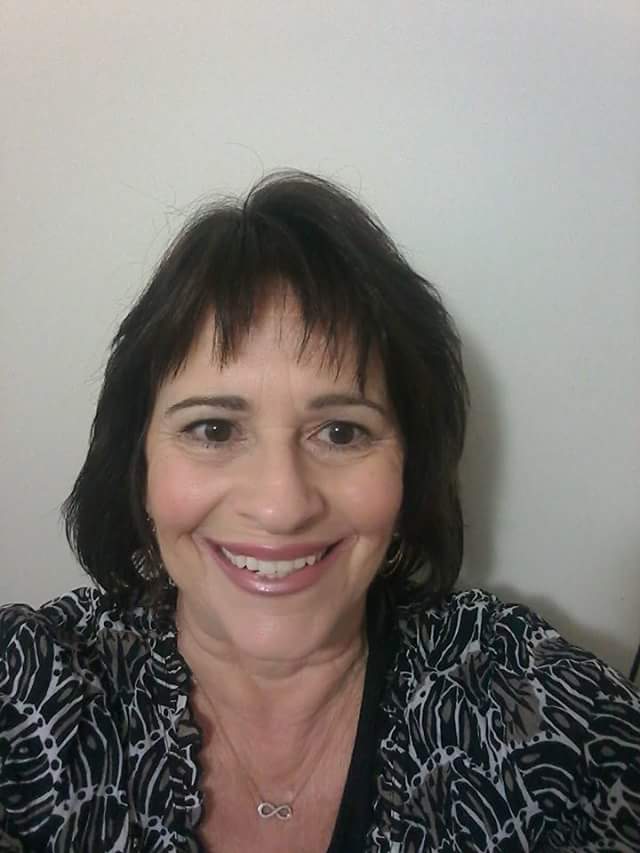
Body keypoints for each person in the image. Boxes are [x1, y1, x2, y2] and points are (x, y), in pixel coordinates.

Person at [0, 172, 638, 853]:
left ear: (410, 466)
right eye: (213, 429)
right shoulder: (31, 690)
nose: (281, 506)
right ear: (140, 463)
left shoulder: (537, 712)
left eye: (340, 431)